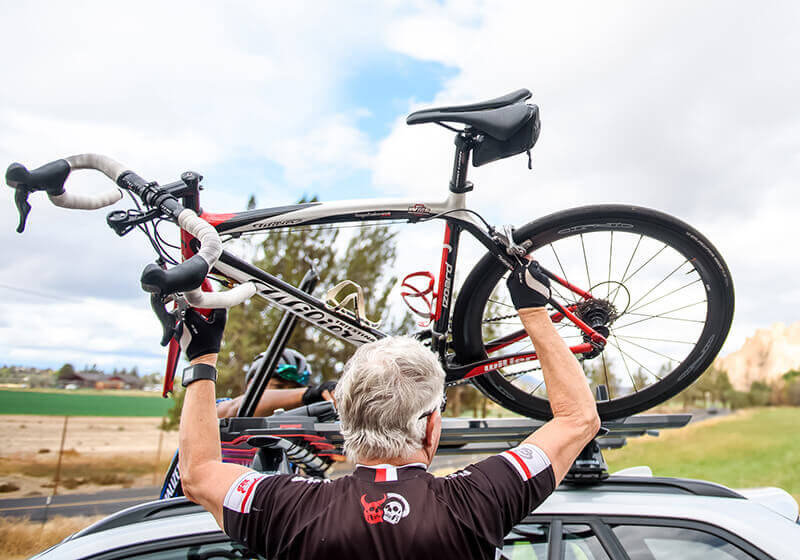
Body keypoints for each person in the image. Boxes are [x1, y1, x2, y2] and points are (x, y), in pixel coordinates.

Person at [177, 259, 600, 559]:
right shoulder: (477, 500)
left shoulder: (290, 509)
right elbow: (578, 419)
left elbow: (198, 474)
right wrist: (533, 311)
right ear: (432, 428)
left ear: (346, 423)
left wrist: (202, 358)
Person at [214, 348, 336, 418]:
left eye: (292, 390)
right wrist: (310, 394)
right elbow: (233, 409)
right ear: (252, 384)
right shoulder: (221, 407)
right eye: (278, 387)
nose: (287, 398)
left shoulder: (297, 439)